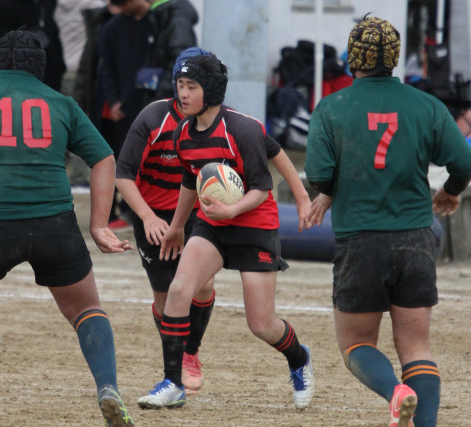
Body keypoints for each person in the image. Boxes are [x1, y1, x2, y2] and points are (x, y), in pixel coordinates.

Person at [0, 30, 135, 427]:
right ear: (41, 67)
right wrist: (99, 225)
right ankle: (108, 387)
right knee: (87, 308)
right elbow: (104, 159)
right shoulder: (62, 102)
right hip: (56, 225)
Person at [116, 47, 313, 396]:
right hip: (211, 224)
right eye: (180, 85)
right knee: (179, 290)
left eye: (191, 87)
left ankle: (299, 358)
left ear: (211, 90)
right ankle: (173, 383)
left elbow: (262, 188)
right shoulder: (182, 132)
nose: (183, 93)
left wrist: (296, 198)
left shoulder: (242, 128)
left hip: (254, 225)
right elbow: (189, 181)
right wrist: (177, 226)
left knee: (261, 324)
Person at [304, 16, 471, 427]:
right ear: (394, 59)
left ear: (352, 58)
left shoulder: (332, 107)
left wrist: (330, 191)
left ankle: (395, 392)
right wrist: (450, 191)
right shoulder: (427, 105)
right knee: (416, 347)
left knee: (355, 343)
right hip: (416, 237)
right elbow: (464, 162)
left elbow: (320, 176)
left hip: (360, 239)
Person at [97, 0, 155, 230]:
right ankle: (111, 211)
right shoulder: (112, 27)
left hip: (145, 105)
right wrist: (114, 101)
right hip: (118, 111)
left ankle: (133, 211)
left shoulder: (156, 24)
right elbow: (106, 68)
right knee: (113, 159)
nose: (122, 8)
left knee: (142, 161)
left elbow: (154, 67)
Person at [0, 0, 66, 92]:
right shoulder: (6, 9)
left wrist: (60, 69)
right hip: (22, 87)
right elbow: (2, 54)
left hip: (50, 85)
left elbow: (54, 41)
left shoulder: (44, 5)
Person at [146, 0, 198, 100]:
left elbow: (182, 62)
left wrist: (160, 96)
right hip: (160, 94)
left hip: (168, 97)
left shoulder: (177, 20)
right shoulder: (161, 17)